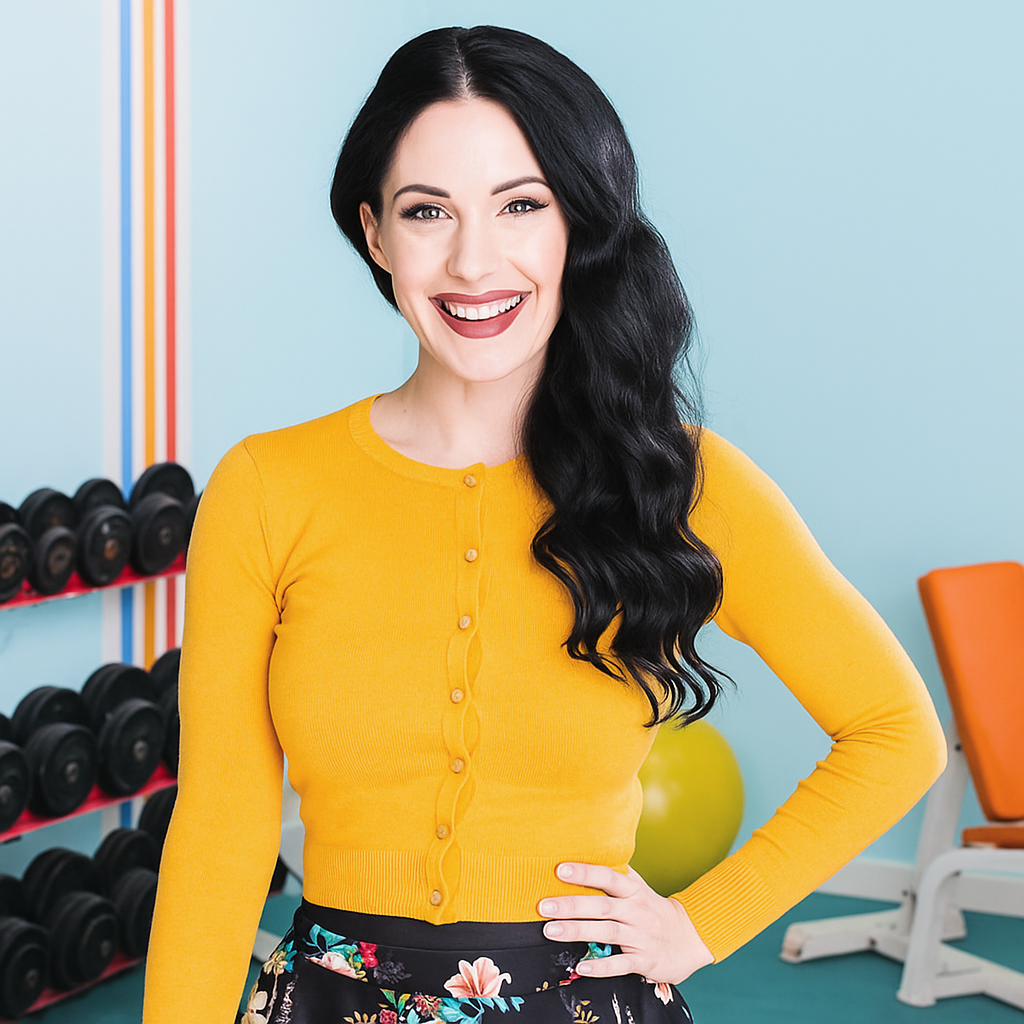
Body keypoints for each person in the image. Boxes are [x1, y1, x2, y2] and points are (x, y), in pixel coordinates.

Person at [141, 25, 947, 1024]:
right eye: (426, 210)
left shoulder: (682, 480)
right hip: (326, 998)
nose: (473, 261)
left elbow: (893, 731)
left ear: (578, 224)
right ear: (375, 232)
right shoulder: (267, 486)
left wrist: (703, 923)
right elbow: (220, 825)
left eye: (521, 205)